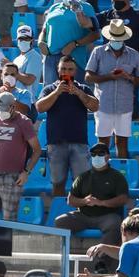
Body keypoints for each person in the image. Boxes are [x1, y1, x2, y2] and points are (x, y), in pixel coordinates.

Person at [37, 55, 98, 196]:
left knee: (82, 185)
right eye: (63, 69)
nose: (66, 72)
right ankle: (59, 211)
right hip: (56, 144)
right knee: (58, 184)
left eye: (70, 69)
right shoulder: (49, 89)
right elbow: (40, 107)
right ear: (58, 71)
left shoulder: (83, 88)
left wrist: (79, 93)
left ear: (75, 72)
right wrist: (57, 92)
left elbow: (95, 106)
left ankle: (81, 214)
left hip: (79, 143)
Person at [86, 19, 139, 159]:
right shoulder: (98, 52)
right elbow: (88, 77)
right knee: (103, 142)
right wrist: (109, 76)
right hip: (103, 105)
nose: (117, 41)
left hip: (124, 105)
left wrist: (128, 77)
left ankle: (121, 175)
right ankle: (103, 172)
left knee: (122, 142)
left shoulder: (134, 54)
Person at [53, 142, 129, 248]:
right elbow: (71, 200)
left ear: (108, 157)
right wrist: (84, 201)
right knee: (60, 222)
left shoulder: (117, 176)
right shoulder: (83, 177)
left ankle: (102, 260)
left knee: (114, 224)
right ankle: (62, 257)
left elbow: (123, 199)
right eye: (93, 154)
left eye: (101, 154)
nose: (97, 156)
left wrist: (101, 203)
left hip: (107, 216)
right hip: (84, 216)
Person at [0, 92, 41, 221]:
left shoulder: (24, 122)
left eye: (4, 109)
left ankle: (6, 242)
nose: (1, 113)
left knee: (9, 220)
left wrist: (26, 172)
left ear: (13, 106)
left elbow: (37, 150)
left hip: (12, 177)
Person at [38, 0, 99, 86]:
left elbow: (95, 34)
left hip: (74, 58)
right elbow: (45, 29)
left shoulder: (86, 7)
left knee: (74, 92)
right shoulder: (54, 8)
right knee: (50, 92)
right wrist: (41, 41)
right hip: (52, 57)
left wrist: (75, 44)